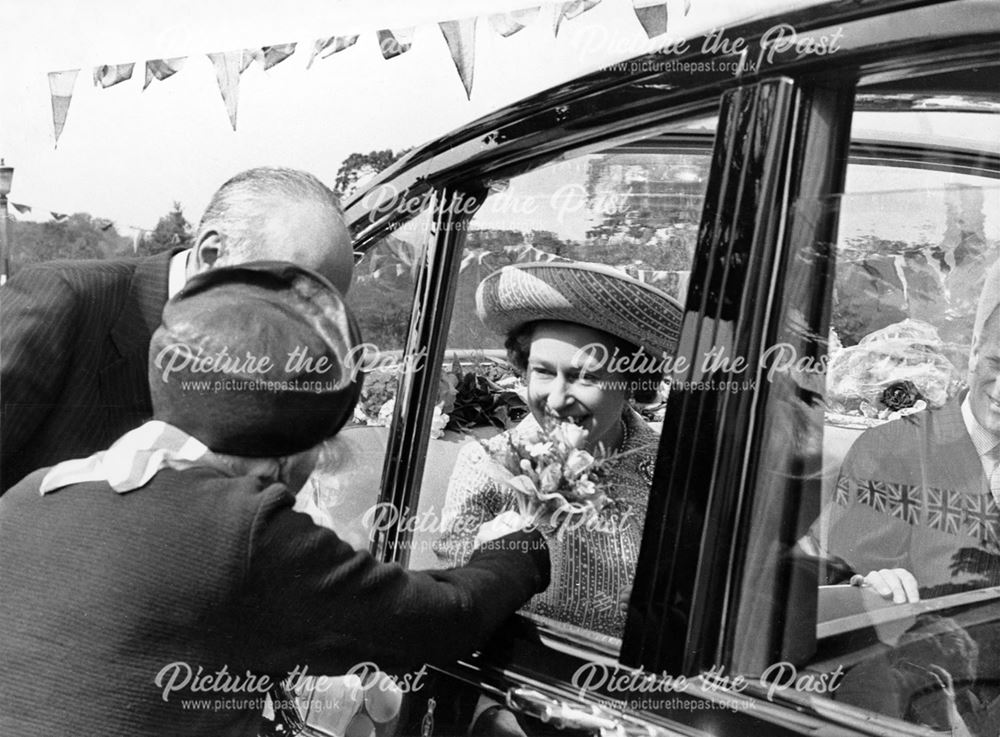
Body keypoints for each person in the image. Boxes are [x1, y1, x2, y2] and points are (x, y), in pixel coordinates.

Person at [0, 262, 549, 737]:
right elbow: (442, 620)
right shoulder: (243, 526)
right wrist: (514, 550)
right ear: (290, 455)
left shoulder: (31, 493)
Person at [0, 166, 355, 492]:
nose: (304, 334)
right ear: (213, 254)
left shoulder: (270, 375)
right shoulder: (60, 302)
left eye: (324, 312)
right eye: (288, 299)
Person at [435, 261, 682, 639]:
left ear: (632, 381)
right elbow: (452, 607)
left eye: (586, 376)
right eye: (544, 371)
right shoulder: (486, 465)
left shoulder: (673, 471)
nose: (557, 398)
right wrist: (486, 563)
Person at [812, 260, 1000, 603]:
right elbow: (835, 586)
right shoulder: (889, 450)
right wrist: (871, 583)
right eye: (996, 363)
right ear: (974, 351)